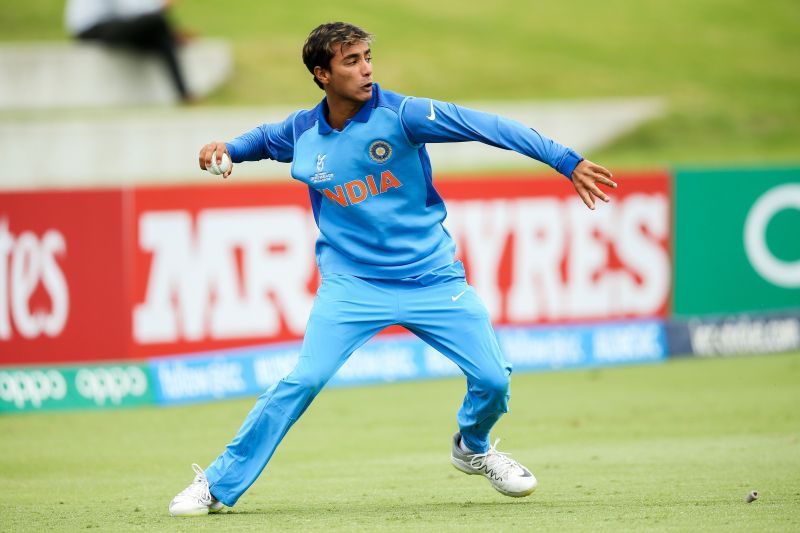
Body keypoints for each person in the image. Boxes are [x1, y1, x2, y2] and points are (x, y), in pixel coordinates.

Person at [169, 21, 616, 516]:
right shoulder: (303, 131)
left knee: (493, 379)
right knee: (304, 380)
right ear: (322, 74)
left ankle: (474, 446)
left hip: (432, 277)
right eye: (351, 61)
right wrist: (226, 148)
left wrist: (566, 160)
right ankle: (213, 485)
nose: (366, 69)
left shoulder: (404, 115)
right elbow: (262, 139)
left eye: (366, 57)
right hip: (352, 285)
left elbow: (488, 126)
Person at [64, 0, 192, 103]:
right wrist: (160, 5)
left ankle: (185, 95)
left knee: (161, 38)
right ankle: (184, 93)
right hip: (91, 27)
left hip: (111, 24)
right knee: (156, 21)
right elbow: (127, 10)